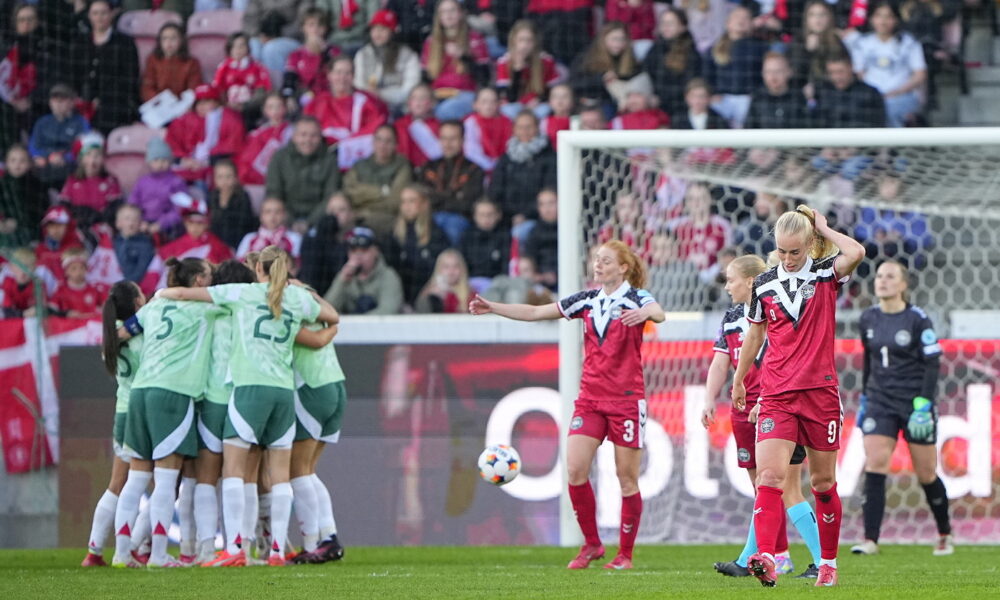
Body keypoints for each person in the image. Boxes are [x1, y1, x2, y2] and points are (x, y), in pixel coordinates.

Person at [469, 240, 666, 570]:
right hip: (590, 399)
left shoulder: (636, 298)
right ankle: (591, 544)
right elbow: (535, 312)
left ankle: (625, 555)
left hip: (626, 401)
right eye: (596, 260)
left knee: (626, 478)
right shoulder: (587, 300)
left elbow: (659, 312)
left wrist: (646, 313)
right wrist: (494, 307)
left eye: (605, 261)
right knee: (575, 469)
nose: (598, 265)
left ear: (623, 267)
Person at [158, 246, 340, 567]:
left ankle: (229, 547)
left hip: (241, 392)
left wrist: (161, 293)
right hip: (283, 392)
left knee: (228, 472)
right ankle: (277, 552)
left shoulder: (239, 297)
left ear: (259, 271)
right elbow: (331, 316)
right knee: (277, 475)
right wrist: (306, 295)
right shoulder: (294, 299)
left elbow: (184, 294)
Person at [731, 205, 865, 587]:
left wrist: (824, 227)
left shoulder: (825, 274)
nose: (788, 259)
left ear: (809, 245)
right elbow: (755, 336)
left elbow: (855, 253)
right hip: (775, 393)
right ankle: (767, 557)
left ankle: (828, 563)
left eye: (796, 251)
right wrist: (741, 379)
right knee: (770, 477)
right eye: (783, 251)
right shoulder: (764, 284)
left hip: (819, 393)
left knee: (822, 483)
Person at [704, 255, 823, 580]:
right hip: (747, 410)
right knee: (765, 488)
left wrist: (767, 399)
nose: (727, 286)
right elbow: (719, 361)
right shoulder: (731, 317)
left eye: (731, 279)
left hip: (780, 407)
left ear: (752, 281)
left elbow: (789, 359)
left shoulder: (779, 311)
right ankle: (770, 556)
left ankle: (819, 560)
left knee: (786, 487)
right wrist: (709, 398)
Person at [111, 257, 218, 568]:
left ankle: (121, 553)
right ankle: (158, 555)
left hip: (140, 392)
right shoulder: (207, 308)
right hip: (174, 393)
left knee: (136, 478)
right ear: (198, 281)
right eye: (208, 276)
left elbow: (121, 334)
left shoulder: (154, 306)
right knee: (166, 478)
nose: (211, 282)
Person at [852, 260, 953, 556]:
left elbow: (932, 364)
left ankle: (945, 533)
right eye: (879, 276)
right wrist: (865, 397)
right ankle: (870, 540)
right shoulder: (867, 318)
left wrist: (923, 403)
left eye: (890, 276)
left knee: (926, 473)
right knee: (875, 464)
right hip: (880, 401)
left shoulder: (918, 319)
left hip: (914, 404)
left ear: (903, 285)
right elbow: (869, 361)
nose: (882, 281)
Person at [190, 259, 256, 564]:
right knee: (246, 475)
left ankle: (205, 547)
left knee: (206, 475)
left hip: (214, 397)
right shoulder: (254, 312)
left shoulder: (208, 312)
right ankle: (242, 545)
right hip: (245, 396)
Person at [81, 280, 147, 566]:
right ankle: (131, 546)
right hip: (143, 411)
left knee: (117, 484)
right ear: (136, 303)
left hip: (122, 410)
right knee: (156, 483)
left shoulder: (111, 332)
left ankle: (94, 551)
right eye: (142, 294)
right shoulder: (141, 330)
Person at [846, 1, 927, 127]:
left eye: (888, 16)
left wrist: (895, 92)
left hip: (903, 97)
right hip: (870, 98)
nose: (883, 21)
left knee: (890, 110)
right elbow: (859, 72)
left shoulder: (909, 43)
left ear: (896, 19)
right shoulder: (862, 43)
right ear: (871, 18)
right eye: (878, 16)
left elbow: (920, 74)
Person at [305, 56, 389, 169]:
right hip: (319, 161)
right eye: (338, 72)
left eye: (347, 73)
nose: (342, 78)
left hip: (356, 163)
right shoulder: (316, 103)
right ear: (329, 75)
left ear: (353, 76)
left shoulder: (367, 102)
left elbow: (374, 132)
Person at [69, 0, 140, 134]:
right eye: (95, 13)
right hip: (81, 101)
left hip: (114, 104)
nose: (99, 17)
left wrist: (101, 99)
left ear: (111, 14)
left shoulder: (126, 43)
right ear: (89, 16)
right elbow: (73, 74)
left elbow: (129, 79)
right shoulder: (79, 43)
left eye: (103, 13)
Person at [265, 115, 341, 226]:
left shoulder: (329, 160)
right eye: (303, 135)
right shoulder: (280, 157)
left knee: (337, 202)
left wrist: (309, 223)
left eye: (313, 135)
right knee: (272, 204)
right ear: (294, 137)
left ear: (320, 137)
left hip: (319, 220)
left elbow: (330, 195)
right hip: (285, 219)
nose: (308, 140)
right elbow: (274, 192)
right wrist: (291, 222)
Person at [418, 120, 485, 246]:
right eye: (444, 138)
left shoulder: (474, 170)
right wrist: (453, 196)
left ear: (462, 140)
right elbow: (423, 198)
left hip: (459, 220)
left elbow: (468, 204)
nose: (448, 144)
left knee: (450, 224)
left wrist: (438, 197)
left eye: (453, 139)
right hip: (429, 217)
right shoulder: (428, 166)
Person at [421, 0, 490, 121]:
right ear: (439, 17)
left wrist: (464, 56)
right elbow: (425, 78)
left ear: (461, 13)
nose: (448, 15)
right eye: (443, 12)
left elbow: (485, 78)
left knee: (444, 111)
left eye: (452, 10)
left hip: (464, 94)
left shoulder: (475, 38)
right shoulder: (430, 42)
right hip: (437, 94)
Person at [488, 110, 557, 230]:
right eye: (520, 127)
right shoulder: (506, 158)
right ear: (514, 129)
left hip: (537, 218)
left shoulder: (550, 157)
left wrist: (525, 215)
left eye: (529, 127)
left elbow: (551, 190)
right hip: (505, 217)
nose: (524, 131)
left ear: (537, 128)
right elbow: (495, 190)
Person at [165, 84, 246, 184]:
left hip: (215, 166)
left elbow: (233, 146)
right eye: (199, 103)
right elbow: (172, 143)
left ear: (217, 103)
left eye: (207, 101)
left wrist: (208, 161)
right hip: (185, 167)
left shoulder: (230, 119)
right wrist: (183, 159)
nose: (202, 106)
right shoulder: (184, 120)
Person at [703, 6, 768, 128]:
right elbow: (707, 76)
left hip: (749, 99)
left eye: (746, 18)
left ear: (751, 24)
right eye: (737, 17)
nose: (741, 21)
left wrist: (755, 95)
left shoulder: (761, 48)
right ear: (728, 23)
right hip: (721, 99)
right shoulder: (713, 50)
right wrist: (712, 94)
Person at [342, 124, 413, 237]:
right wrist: (382, 191)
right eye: (379, 139)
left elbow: (395, 201)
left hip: (385, 218)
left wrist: (365, 208)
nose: (382, 145)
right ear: (373, 142)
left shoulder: (402, 166)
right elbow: (349, 192)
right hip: (355, 216)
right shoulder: (360, 165)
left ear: (396, 145)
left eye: (388, 141)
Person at [386, 184, 451, 306]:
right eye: (403, 202)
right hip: (400, 298)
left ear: (424, 204)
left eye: (412, 201)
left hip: (426, 297)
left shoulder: (437, 234)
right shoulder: (394, 235)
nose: (406, 206)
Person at [353, 10, 421, 115]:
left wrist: (381, 94)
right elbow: (358, 84)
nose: (377, 33)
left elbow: (410, 90)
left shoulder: (408, 55)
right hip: (368, 105)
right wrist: (371, 94)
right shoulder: (363, 54)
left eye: (383, 29)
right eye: (374, 29)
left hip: (399, 107)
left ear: (393, 32)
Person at [323, 226, 404, 315]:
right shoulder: (345, 275)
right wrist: (341, 281)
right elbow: (326, 311)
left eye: (364, 250)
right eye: (353, 251)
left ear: (376, 251)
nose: (358, 255)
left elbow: (388, 310)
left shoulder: (388, 276)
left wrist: (356, 322)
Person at [495, 19, 563, 120]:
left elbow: (553, 90)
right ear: (514, 41)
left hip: (538, 105)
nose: (524, 45)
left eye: (529, 41)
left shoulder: (546, 61)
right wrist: (517, 70)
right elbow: (510, 98)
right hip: (515, 105)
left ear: (535, 42)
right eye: (521, 40)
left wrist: (539, 100)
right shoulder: (503, 62)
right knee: (508, 111)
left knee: (544, 110)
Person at [642, 8, 702, 119]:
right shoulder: (654, 49)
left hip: (680, 108)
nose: (666, 27)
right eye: (663, 23)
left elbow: (689, 85)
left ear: (682, 27)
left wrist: (661, 99)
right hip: (655, 106)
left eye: (671, 23)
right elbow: (645, 75)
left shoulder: (691, 54)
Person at [570, 22, 642, 110]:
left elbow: (636, 77)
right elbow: (575, 83)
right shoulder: (586, 58)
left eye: (622, 39)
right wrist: (602, 78)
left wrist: (619, 77)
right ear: (603, 39)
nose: (618, 44)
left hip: (618, 103)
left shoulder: (630, 59)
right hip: (590, 104)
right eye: (614, 39)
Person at [28, 83, 90, 184]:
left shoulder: (81, 122)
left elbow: (85, 147)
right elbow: (34, 145)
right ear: (50, 103)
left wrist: (66, 158)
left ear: (72, 102)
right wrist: (42, 156)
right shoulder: (42, 122)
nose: (58, 103)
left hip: (70, 167)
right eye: (54, 99)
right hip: (45, 165)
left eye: (62, 99)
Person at [128, 137, 188, 240]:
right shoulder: (142, 181)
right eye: (156, 160)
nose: (160, 164)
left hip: (167, 226)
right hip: (143, 223)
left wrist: (162, 224)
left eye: (164, 160)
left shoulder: (176, 182)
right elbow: (133, 202)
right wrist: (139, 220)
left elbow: (180, 208)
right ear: (149, 162)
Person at [786, 1, 849, 98]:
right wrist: (807, 51)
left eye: (822, 14)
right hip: (801, 93)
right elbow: (795, 73)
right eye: (812, 15)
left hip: (831, 93)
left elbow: (841, 72)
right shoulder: (798, 40)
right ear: (806, 19)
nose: (817, 19)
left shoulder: (838, 41)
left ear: (829, 18)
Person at [280, 7, 342, 105]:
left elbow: (339, 74)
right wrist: (289, 98)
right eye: (311, 25)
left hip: (330, 96)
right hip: (305, 97)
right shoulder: (296, 55)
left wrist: (323, 52)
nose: (315, 29)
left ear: (325, 28)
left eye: (320, 25)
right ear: (303, 28)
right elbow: (289, 80)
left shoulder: (334, 51)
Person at [60, 133, 122, 228]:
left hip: (102, 226)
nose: (92, 161)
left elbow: (114, 208)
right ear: (81, 159)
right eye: (88, 155)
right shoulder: (72, 181)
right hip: (76, 225)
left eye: (97, 156)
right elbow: (64, 206)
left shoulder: (111, 181)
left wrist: (98, 217)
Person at [299, 192, 354, 294]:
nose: (336, 214)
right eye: (332, 210)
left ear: (351, 214)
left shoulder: (358, 237)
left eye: (341, 210)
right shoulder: (311, 240)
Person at [814, 54, 887, 128]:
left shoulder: (870, 93)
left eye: (840, 72)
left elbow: (878, 124)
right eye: (832, 72)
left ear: (850, 68)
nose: (836, 77)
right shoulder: (823, 93)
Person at [236, 92, 292, 187]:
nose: (275, 111)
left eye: (279, 106)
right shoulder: (257, 134)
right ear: (265, 110)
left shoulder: (291, 131)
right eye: (270, 107)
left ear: (285, 108)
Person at [212, 32, 272, 118]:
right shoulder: (223, 67)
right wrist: (226, 104)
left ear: (248, 48)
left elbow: (262, 90)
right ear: (229, 49)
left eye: (241, 46)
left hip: (251, 108)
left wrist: (246, 105)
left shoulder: (257, 67)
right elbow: (218, 88)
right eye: (234, 46)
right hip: (228, 107)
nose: (238, 50)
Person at [140, 22, 202, 103]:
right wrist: (159, 101)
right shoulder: (152, 60)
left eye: (173, 38)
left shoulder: (191, 63)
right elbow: (147, 87)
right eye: (164, 38)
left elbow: (193, 89)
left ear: (181, 40)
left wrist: (179, 103)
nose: (168, 42)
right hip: (157, 105)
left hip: (181, 106)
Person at [746, 53, 810, 129]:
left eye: (778, 71)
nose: (773, 76)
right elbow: (748, 130)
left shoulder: (799, 98)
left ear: (789, 72)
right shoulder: (757, 99)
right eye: (768, 71)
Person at [158, 199, 233, 265]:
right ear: (185, 223)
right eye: (191, 223)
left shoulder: (218, 247)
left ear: (207, 224)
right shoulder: (172, 248)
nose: (194, 227)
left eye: (199, 223)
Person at [0, 143, 46, 248]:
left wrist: (17, 222)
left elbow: (40, 213)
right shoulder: (2, 185)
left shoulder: (37, 185)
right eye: (13, 160)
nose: (17, 165)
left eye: (22, 161)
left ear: (29, 163)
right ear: (6, 163)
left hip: (31, 234)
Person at [460, 198, 510, 292]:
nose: (486, 219)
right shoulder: (466, 236)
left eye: (490, 214)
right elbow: (461, 263)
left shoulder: (505, 236)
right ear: (474, 216)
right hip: (470, 283)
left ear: (498, 215)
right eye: (481, 215)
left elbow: (506, 267)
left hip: (497, 284)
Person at [208, 160, 257, 251]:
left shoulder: (242, 196)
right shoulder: (212, 196)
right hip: (216, 245)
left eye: (228, 176)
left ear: (235, 178)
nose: (224, 181)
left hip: (238, 244)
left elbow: (243, 226)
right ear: (214, 179)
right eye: (220, 177)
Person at [236, 197, 303, 263]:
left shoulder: (294, 238)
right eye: (268, 212)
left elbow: (296, 265)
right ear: (261, 216)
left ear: (284, 215)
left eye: (277, 212)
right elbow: (240, 262)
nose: (273, 216)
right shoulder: (249, 238)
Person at [462, 87, 512, 173]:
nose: (488, 106)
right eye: (484, 102)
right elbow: (472, 153)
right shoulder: (470, 123)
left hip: (504, 167)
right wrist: (493, 166)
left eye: (493, 102)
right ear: (475, 105)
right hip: (479, 169)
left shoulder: (507, 122)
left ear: (499, 104)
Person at [393, 84, 442, 168]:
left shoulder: (439, 127)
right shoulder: (398, 125)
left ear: (432, 103)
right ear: (409, 102)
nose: (418, 102)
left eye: (422, 98)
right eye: (414, 98)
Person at [48, 248, 105, 318]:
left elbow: (105, 306)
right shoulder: (61, 290)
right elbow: (51, 310)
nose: (78, 272)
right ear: (66, 271)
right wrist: (66, 314)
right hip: (69, 327)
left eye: (82, 268)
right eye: (73, 268)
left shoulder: (95, 288)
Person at [112, 203, 156, 288]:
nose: (131, 223)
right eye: (127, 219)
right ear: (118, 223)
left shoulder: (145, 244)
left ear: (140, 223)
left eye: (135, 220)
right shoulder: (112, 243)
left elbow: (141, 270)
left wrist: (127, 285)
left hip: (133, 287)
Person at [414, 248, 471, 313]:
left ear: (462, 269)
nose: (451, 271)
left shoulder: (470, 295)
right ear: (438, 270)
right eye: (446, 267)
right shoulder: (428, 296)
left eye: (456, 266)